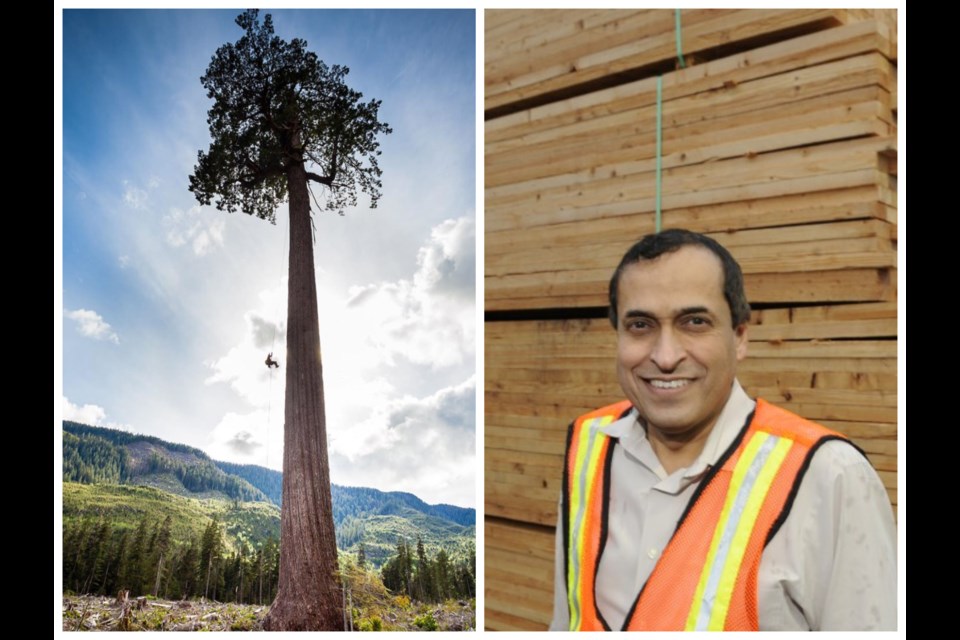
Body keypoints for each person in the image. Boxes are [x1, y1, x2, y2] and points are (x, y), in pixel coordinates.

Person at [550, 229, 896, 631]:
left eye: (695, 322)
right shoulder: (588, 446)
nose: (665, 356)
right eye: (641, 325)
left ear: (740, 336)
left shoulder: (829, 477)